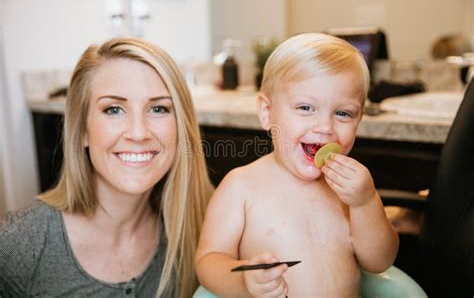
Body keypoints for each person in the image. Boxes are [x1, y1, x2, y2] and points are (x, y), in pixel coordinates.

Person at [0, 37, 214, 298]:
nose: (138, 133)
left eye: (158, 108)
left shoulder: (206, 229)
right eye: (113, 110)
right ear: (82, 131)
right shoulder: (18, 244)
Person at [195, 33, 399, 297]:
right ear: (267, 113)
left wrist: (365, 202)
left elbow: (380, 262)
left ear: (359, 118)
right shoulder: (241, 185)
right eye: (305, 108)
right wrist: (245, 282)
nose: (325, 127)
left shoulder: (351, 191)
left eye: (342, 113)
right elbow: (209, 260)